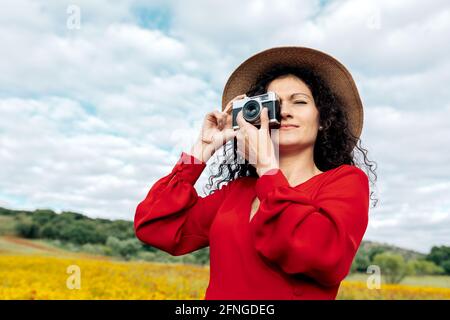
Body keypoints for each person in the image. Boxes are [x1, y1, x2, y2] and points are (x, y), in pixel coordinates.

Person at [134, 46, 378, 300]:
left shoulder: (345, 182)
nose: (284, 111)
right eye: (272, 103)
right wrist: (201, 151)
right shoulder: (238, 190)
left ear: (324, 119)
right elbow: (154, 226)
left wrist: (268, 169)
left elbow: (322, 256)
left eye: (300, 101)